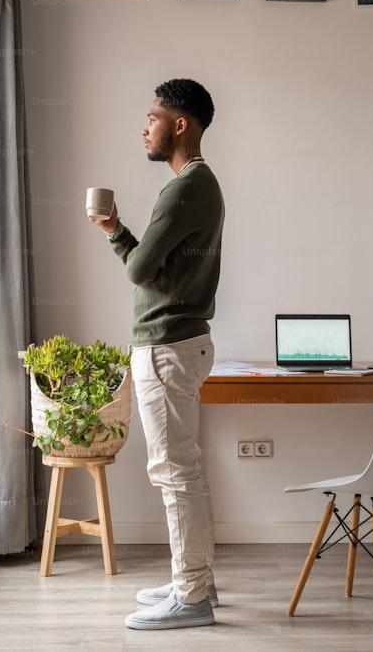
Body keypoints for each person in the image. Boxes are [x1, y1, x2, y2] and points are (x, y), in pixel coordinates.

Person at [89, 78, 224, 630]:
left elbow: (140, 269)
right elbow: (156, 267)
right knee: (182, 470)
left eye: (152, 117)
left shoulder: (184, 188)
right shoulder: (199, 184)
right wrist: (123, 234)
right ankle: (195, 580)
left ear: (180, 124)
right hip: (177, 344)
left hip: (167, 347)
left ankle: (192, 597)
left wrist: (114, 230)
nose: (144, 127)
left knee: (175, 473)